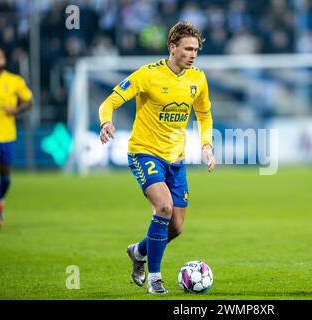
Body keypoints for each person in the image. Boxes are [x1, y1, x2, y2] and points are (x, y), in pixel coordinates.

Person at [98, 21, 215, 294]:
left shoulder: (198, 78)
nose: (193, 54)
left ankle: (138, 251)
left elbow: (205, 114)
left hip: (176, 160)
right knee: (162, 207)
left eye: (196, 49)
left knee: (175, 227)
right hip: (144, 152)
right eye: (187, 49)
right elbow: (110, 101)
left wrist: (207, 145)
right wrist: (106, 122)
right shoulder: (148, 75)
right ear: (172, 48)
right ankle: (155, 278)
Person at [0, 48, 33, 228]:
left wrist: (16, 110)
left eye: (1, 56)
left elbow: (29, 101)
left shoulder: (14, 81)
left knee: (6, 178)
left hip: (7, 137)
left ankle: (0, 201)